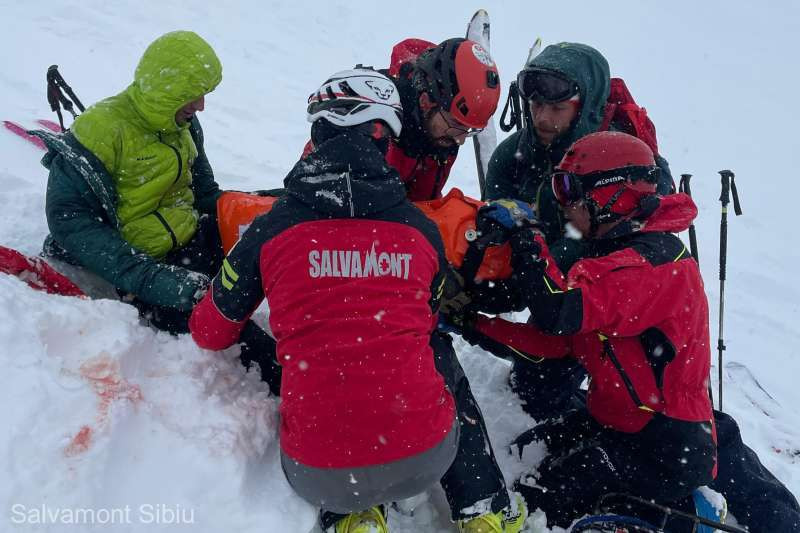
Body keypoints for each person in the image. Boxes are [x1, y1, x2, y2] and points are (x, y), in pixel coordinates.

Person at [189, 68, 523, 533]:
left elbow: (209, 333)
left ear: (319, 134)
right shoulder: (420, 231)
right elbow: (427, 318)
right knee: (434, 348)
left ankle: (353, 515)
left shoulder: (270, 230)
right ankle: (485, 508)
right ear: (384, 140)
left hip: (318, 473)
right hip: (427, 456)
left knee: (314, 352)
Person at [457, 132, 718, 529]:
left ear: (614, 195)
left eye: (572, 192)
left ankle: (680, 514)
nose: (565, 206)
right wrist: (469, 322)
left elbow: (558, 309)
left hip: (664, 445)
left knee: (538, 499)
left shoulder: (656, 266)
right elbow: (552, 345)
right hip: (612, 421)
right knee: (522, 453)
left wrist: (529, 237)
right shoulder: (610, 256)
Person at [35, 30, 280, 392]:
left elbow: (204, 193)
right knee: (228, 321)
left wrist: (264, 209)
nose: (201, 106)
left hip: (191, 236)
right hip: (142, 266)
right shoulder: (100, 131)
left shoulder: (182, 123)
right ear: (168, 90)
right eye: (194, 95)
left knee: (280, 227)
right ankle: (302, 384)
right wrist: (155, 280)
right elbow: (70, 222)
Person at [383, 37, 501, 201]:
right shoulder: (375, 124)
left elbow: (426, 204)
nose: (460, 140)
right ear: (425, 102)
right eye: (456, 123)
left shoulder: (444, 133)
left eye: (468, 129)